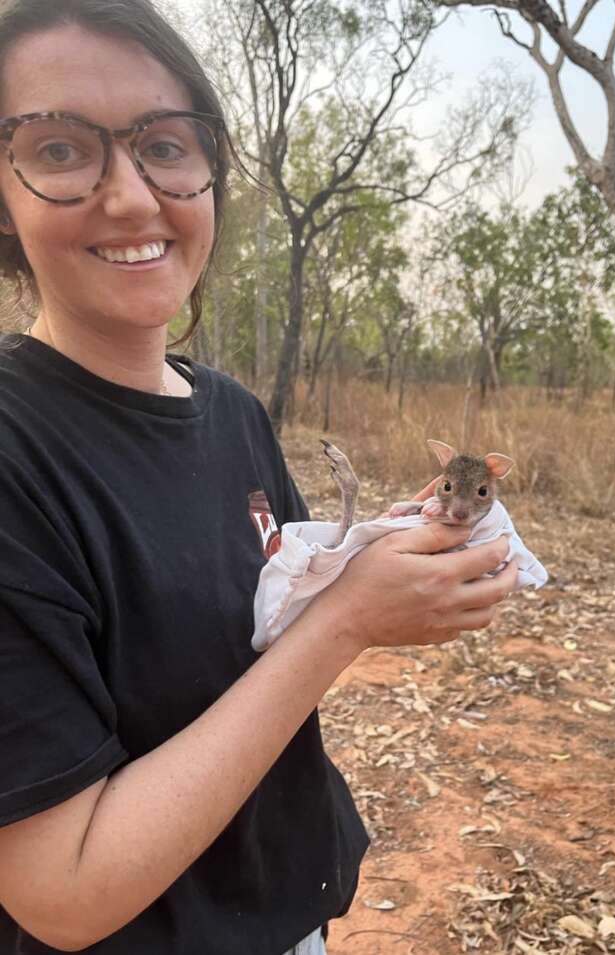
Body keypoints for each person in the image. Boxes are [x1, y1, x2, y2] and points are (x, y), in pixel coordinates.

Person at [0, 1, 518, 953]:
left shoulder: (231, 409)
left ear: (207, 172)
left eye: (165, 143)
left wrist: (383, 553)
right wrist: (351, 620)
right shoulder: (14, 456)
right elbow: (59, 889)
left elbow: (276, 622)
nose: (131, 196)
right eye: (62, 149)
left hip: (289, 915)